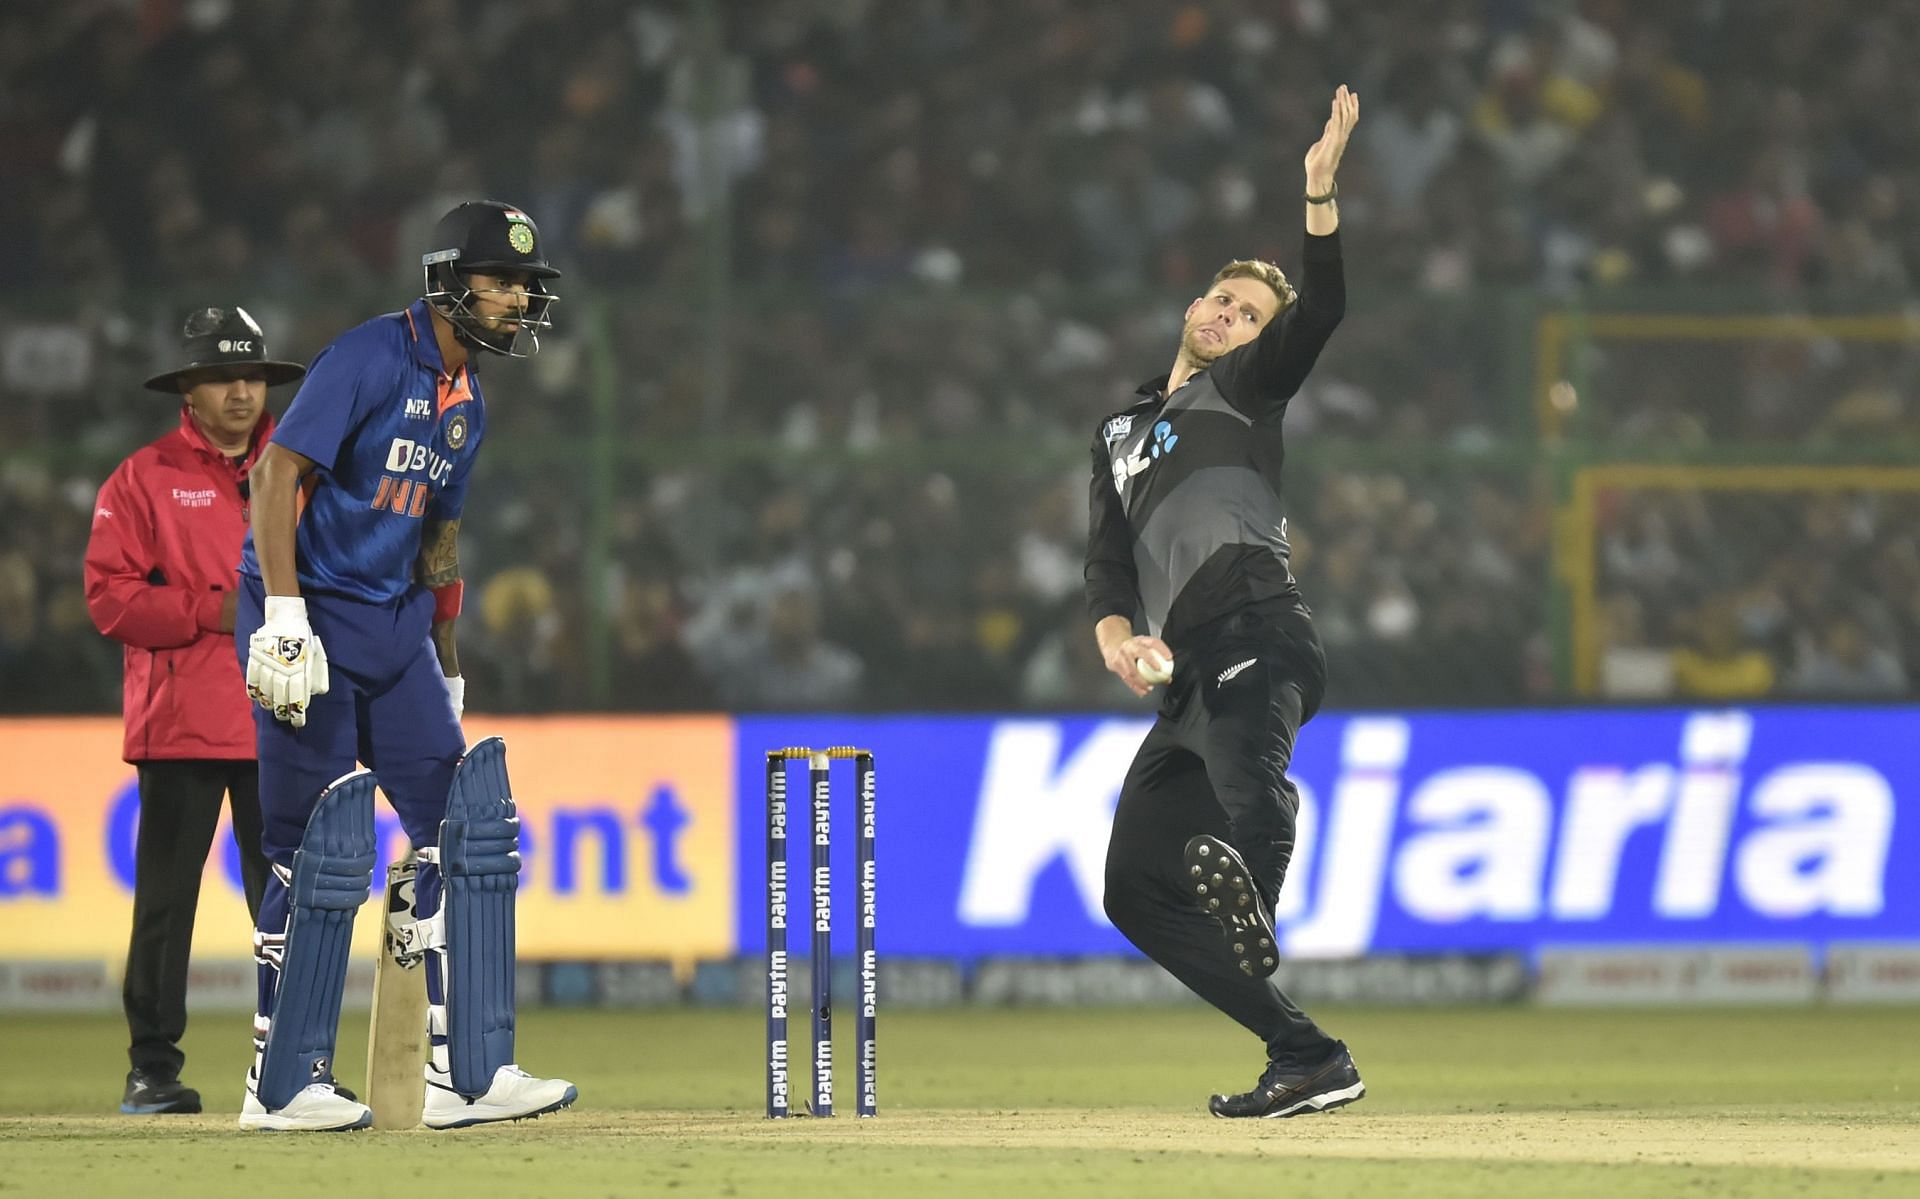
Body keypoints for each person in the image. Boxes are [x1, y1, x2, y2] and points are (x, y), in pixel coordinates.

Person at [233, 201, 576, 1131]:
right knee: (312, 846)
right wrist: (283, 614)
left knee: (467, 830)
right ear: (447, 281)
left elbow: (440, 541)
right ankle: (279, 1082)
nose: (515, 299)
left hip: (395, 628)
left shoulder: (469, 404)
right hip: (309, 614)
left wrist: (447, 661)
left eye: (523, 286)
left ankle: (466, 1074)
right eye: (500, 281)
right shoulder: (369, 356)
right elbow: (274, 476)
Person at [1086, 87, 1365, 1119]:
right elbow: (1106, 569)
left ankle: (1264, 848)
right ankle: (1305, 1052)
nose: (1230, 317)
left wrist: (1320, 196)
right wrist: (1121, 642)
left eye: (1252, 316)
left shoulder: (1246, 391)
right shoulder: (1118, 432)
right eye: (1224, 302)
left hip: (1261, 636)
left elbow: (1324, 310)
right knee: (1133, 891)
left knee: (1253, 789)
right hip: (1182, 682)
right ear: (1191, 306)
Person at [83, 308, 302, 1115]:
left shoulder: (298, 470)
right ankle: (153, 1069)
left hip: (281, 720)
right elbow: (109, 599)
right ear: (188, 389)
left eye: (252, 375)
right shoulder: (140, 478)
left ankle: (294, 1062)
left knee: (286, 900)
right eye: (221, 376)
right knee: (168, 903)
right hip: (181, 725)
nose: (242, 390)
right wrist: (216, 612)